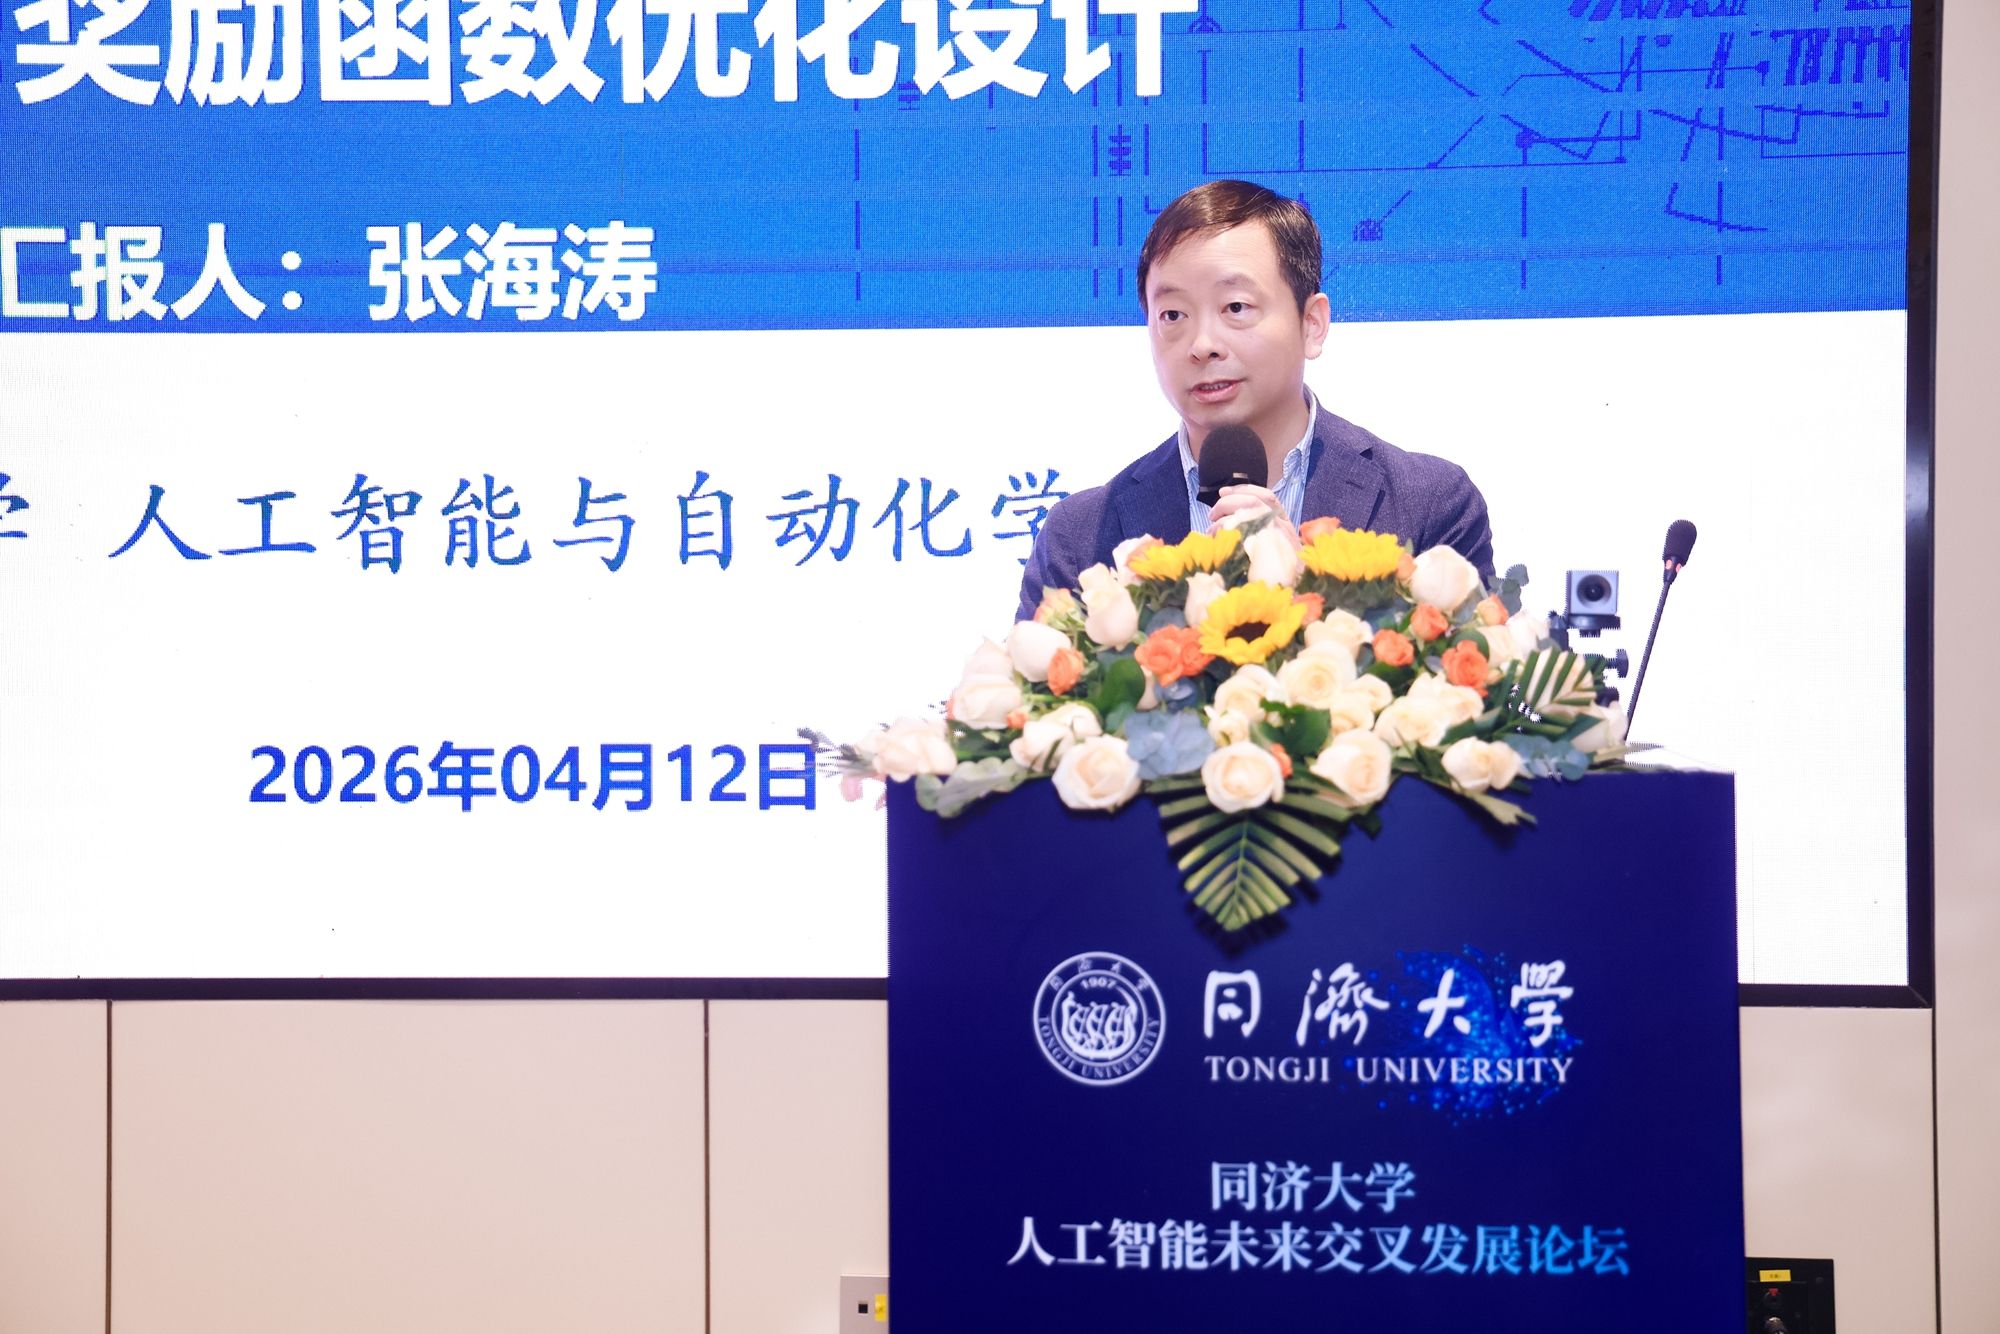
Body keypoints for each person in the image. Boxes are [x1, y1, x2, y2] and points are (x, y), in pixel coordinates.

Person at [1016, 179, 1494, 620]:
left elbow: (1474, 676)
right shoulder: (1079, 538)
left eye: (1236, 307)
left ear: (1312, 324)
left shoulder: (1429, 504)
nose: (1203, 344)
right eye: (1173, 314)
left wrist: (1303, 583)